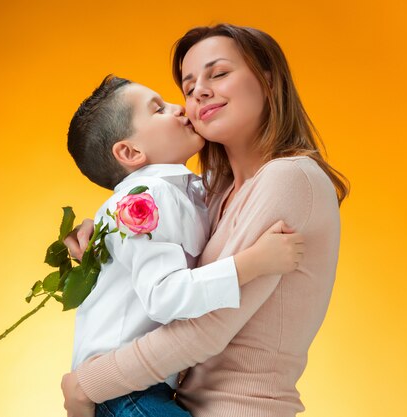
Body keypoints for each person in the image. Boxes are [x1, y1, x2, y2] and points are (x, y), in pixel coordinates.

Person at [62, 24, 349, 417]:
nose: (197, 92)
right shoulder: (214, 196)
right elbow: (170, 270)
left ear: (267, 80)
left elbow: (206, 327)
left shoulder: (289, 177)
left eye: (218, 74)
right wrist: (107, 239)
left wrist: (85, 385)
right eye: (188, 85)